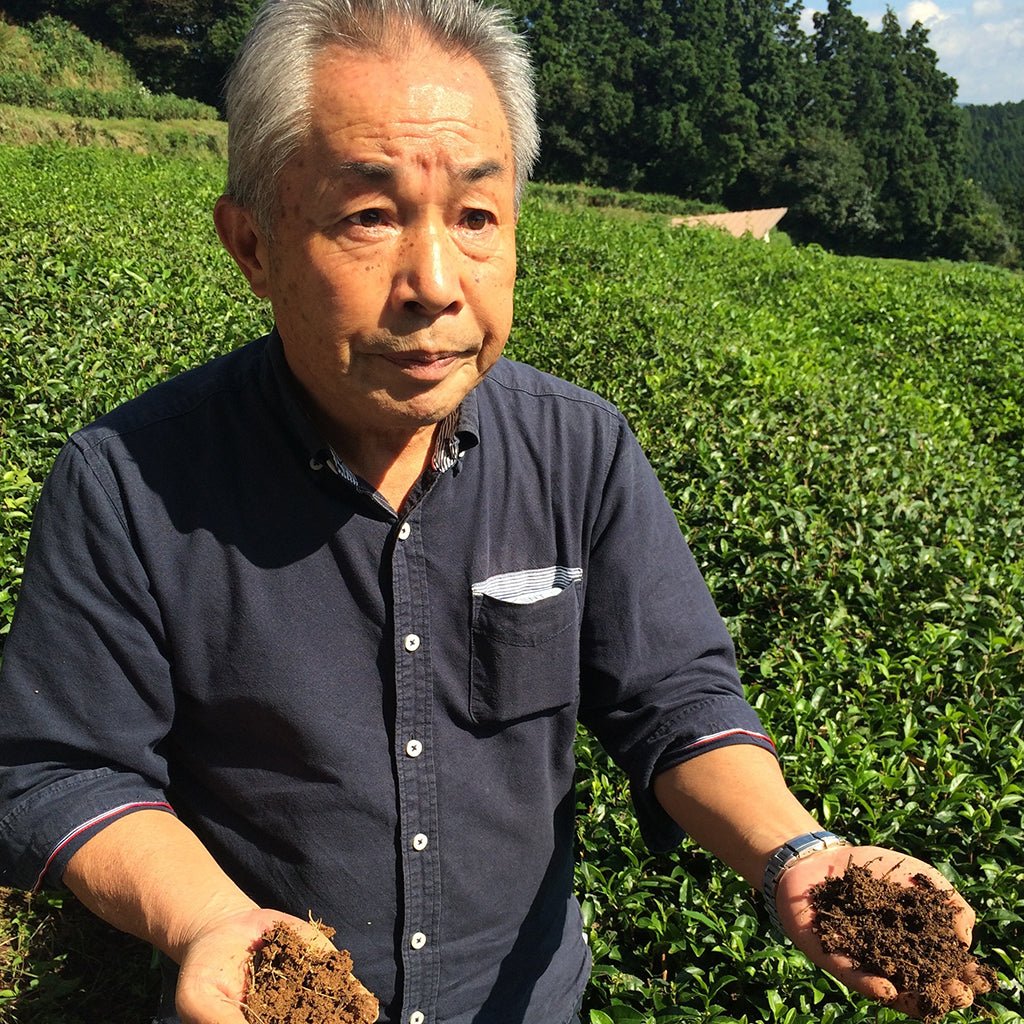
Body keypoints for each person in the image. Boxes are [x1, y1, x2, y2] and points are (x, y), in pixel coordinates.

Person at [0, 2, 984, 1023]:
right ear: (252, 244)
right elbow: (67, 767)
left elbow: (673, 698)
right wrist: (213, 921)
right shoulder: (128, 481)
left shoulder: (580, 450)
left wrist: (798, 851)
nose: (434, 283)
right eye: (369, 216)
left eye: (475, 216)